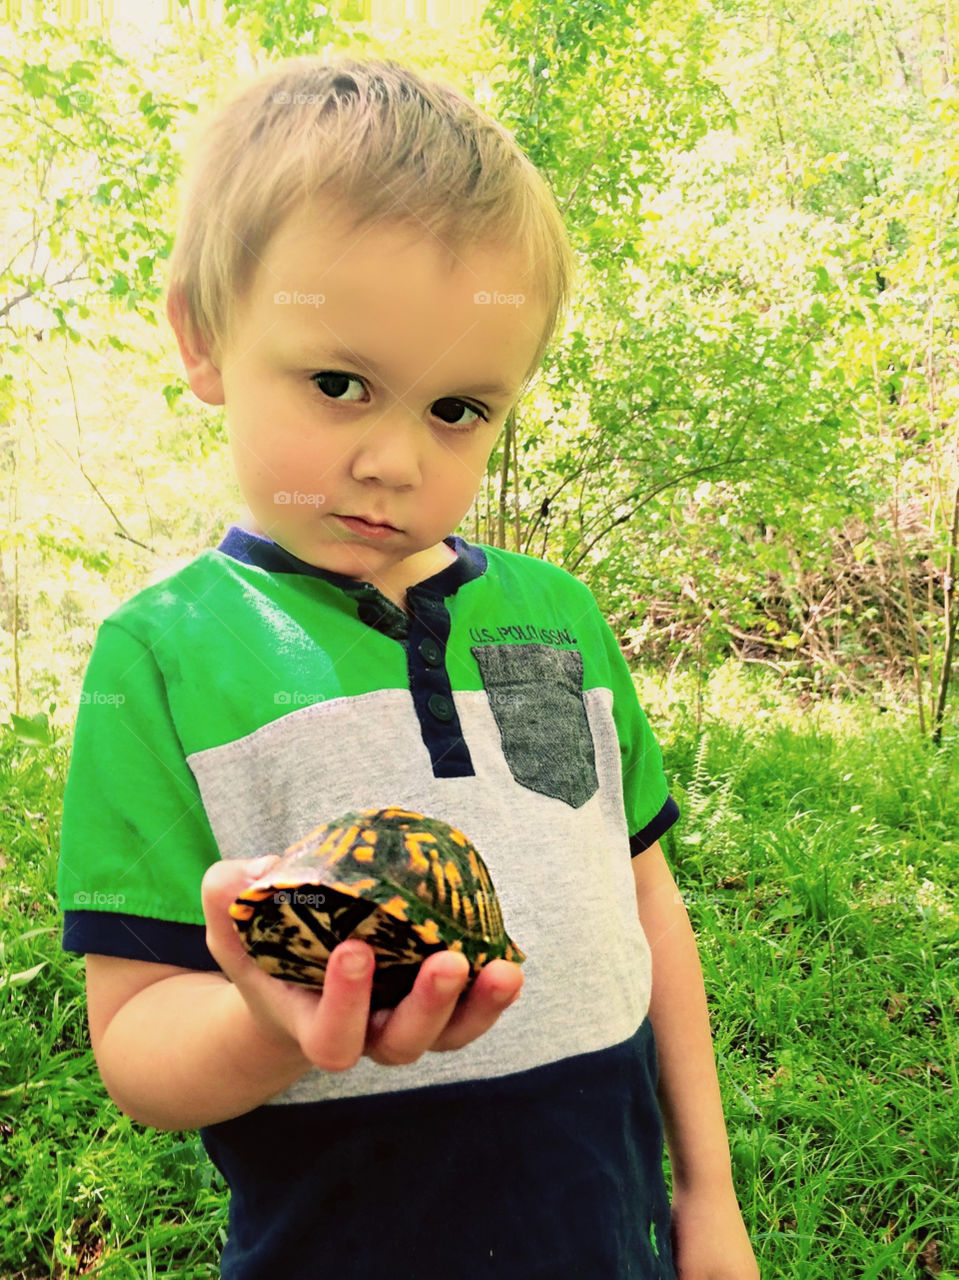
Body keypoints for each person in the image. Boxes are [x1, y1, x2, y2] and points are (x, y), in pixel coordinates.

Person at [57, 56, 759, 1280]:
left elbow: (644, 902)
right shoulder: (163, 655)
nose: (394, 457)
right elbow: (135, 1039)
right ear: (203, 335)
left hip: (605, 1239)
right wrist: (269, 1021)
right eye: (339, 383)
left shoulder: (556, 618)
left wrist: (710, 1197)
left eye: (458, 409)